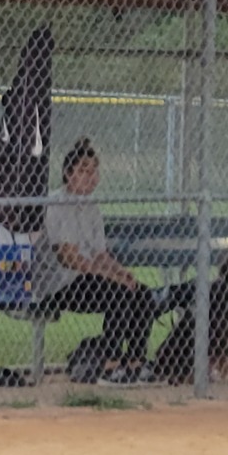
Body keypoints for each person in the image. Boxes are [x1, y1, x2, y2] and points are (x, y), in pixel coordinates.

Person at [32, 138, 159, 384]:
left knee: (141, 293)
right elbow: (69, 258)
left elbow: (100, 254)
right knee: (119, 293)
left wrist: (121, 272)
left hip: (87, 279)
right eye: (83, 171)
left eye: (94, 172)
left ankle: (135, 363)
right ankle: (110, 366)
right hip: (60, 284)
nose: (91, 177)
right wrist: (109, 276)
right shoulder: (57, 203)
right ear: (68, 174)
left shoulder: (91, 206)